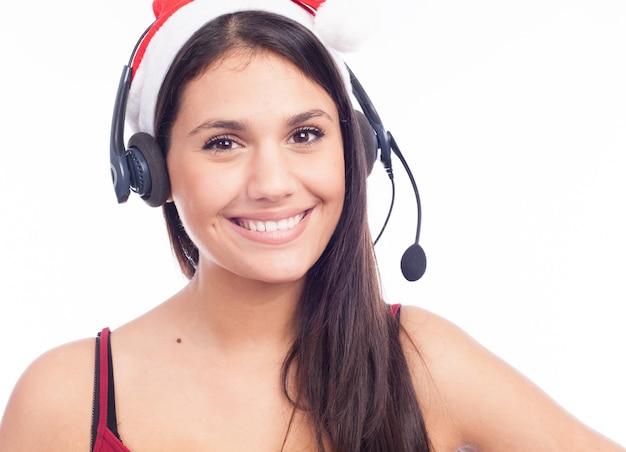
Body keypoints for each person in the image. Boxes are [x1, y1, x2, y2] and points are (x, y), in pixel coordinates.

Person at [0, 0, 624, 451]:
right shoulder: (64, 398)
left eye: (305, 135)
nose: (272, 183)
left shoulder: (420, 363)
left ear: (354, 149)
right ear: (153, 172)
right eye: (223, 142)